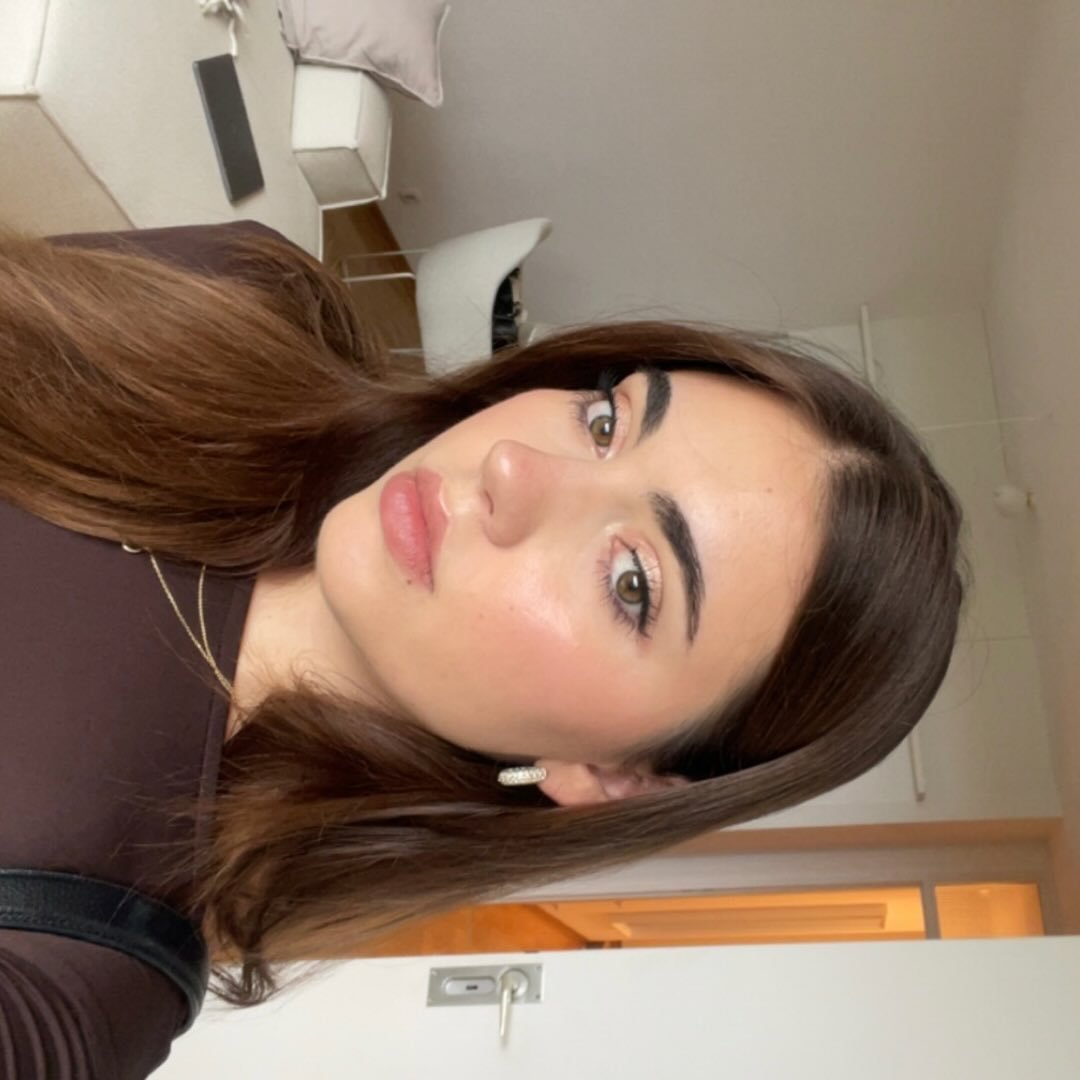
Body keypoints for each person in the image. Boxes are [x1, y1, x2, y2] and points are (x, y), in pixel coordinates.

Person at [0, 219, 967, 1076]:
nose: (513, 467)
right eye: (606, 420)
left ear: (614, 778)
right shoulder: (241, 298)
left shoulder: (82, 969)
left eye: (633, 582)